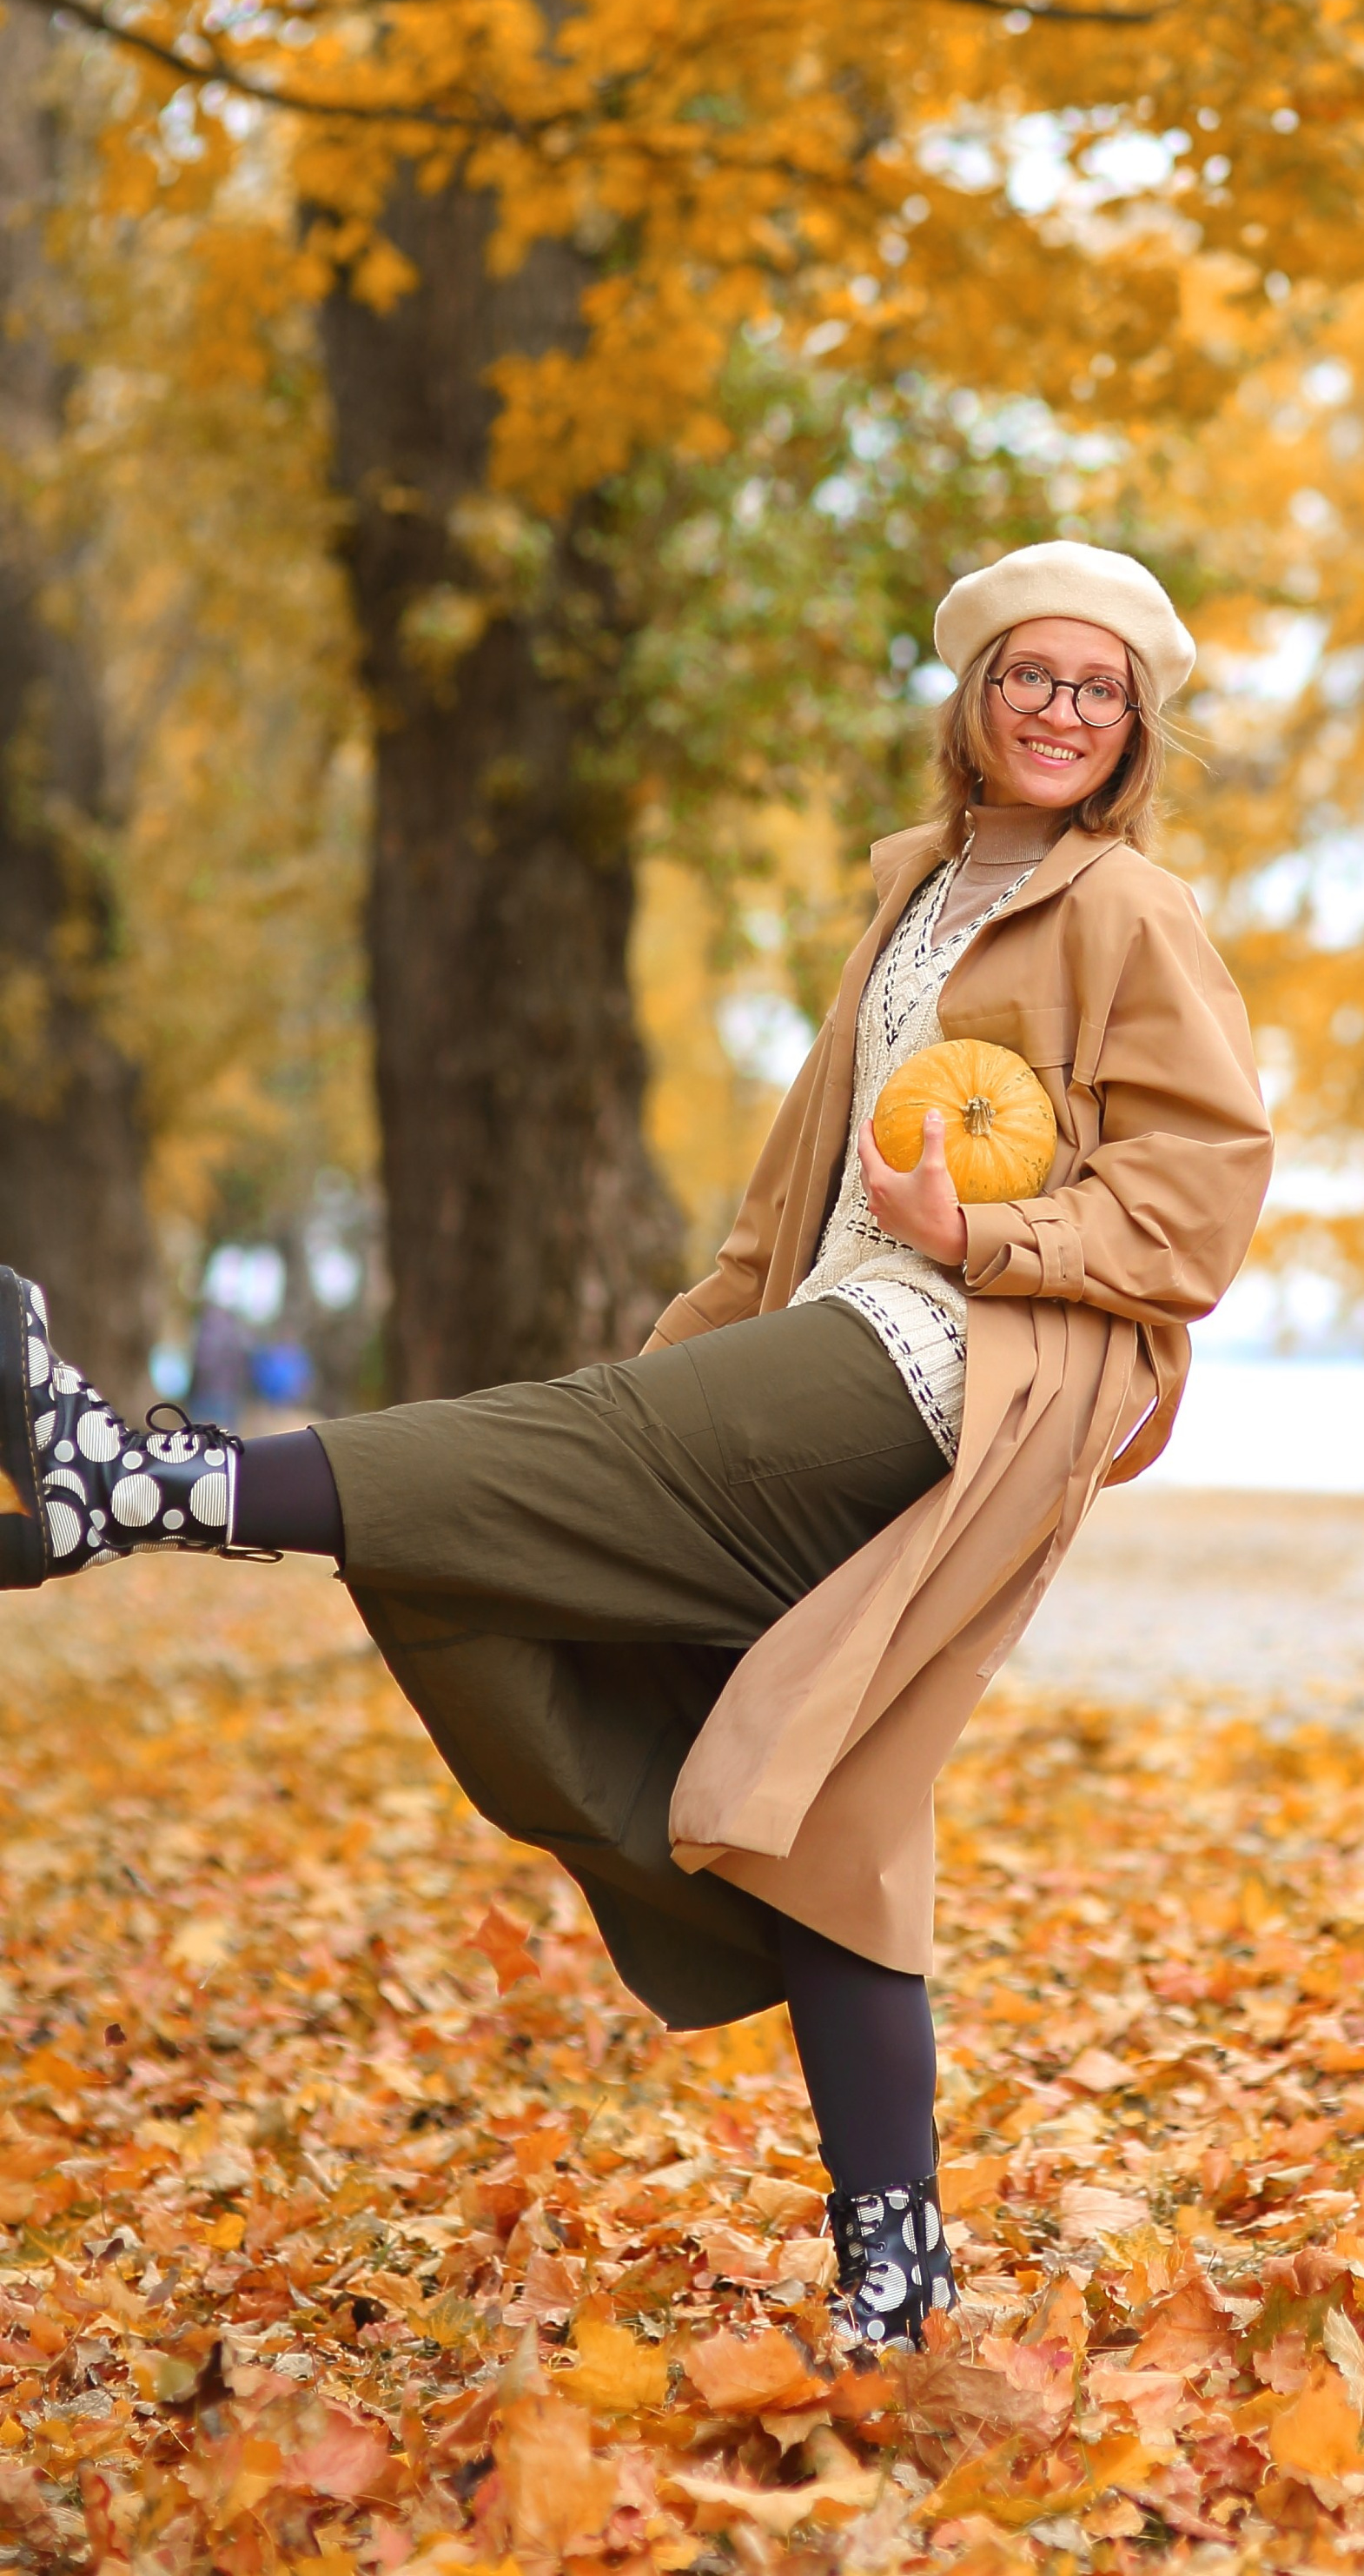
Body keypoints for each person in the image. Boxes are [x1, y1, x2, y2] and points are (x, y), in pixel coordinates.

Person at [0, 541, 1273, 2354]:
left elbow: (1196, 1212)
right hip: (820, 1336)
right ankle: (895, 2282)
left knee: (536, 1488)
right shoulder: (908, 906)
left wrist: (984, 1239)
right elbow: (778, 1227)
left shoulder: (1130, 916)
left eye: (1095, 689)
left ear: (1133, 726)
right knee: (802, 1789)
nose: (1057, 711)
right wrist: (645, 1393)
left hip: (955, 1368)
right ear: (971, 700)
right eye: (1026, 676)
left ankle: (132, 1483)